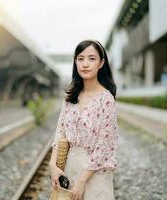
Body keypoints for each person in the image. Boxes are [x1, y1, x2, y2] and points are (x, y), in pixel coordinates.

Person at [49, 39, 118, 200]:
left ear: (101, 63)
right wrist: (53, 165)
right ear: (75, 62)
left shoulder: (106, 100)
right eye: (81, 59)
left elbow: (103, 146)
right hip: (70, 167)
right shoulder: (70, 98)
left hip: (94, 173)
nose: (85, 64)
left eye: (91, 59)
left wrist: (82, 181)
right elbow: (60, 135)